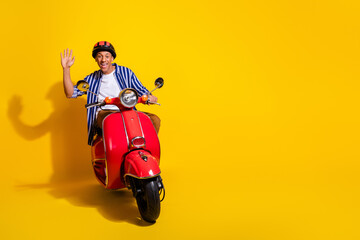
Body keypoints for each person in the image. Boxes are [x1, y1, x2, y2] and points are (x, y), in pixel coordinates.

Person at [61, 41, 160, 145]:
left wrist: (150, 97)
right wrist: (66, 69)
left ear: (112, 58)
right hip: (105, 113)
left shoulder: (125, 72)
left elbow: (142, 91)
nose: (103, 60)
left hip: (127, 111)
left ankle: (144, 150)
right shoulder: (91, 78)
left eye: (107, 56)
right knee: (113, 123)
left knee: (154, 120)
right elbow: (70, 93)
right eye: (99, 56)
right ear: (95, 59)